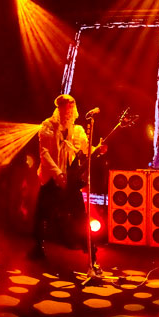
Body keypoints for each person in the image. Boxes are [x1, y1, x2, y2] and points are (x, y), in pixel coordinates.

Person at [29, 94, 106, 260]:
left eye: (71, 108)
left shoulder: (77, 131)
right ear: (59, 109)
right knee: (43, 214)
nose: (68, 112)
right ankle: (38, 247)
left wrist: (98, 150)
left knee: (80, 215)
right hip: (51, 178)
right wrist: (57, 173)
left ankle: (90, 250)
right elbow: (44, 153)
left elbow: (87, 150)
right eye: (65, 108)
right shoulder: (48, 126)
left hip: (70, 180)